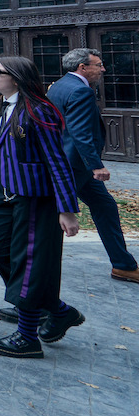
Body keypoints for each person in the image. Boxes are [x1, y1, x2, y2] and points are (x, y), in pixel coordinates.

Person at [0, 56, 84, 358]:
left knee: (28, 263)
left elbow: (57, 160)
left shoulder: (38, 111)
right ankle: (57, 309)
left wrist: (67, 208)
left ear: (15, 78)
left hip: (36, 198)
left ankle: (27, 337)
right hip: (5, 196)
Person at [47, 48, 139, 284]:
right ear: (82, 68)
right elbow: (80, 133)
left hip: (72, 165)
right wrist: (96, 165)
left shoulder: (58, 86)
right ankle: (34, 273)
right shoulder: (80, 91)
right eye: (99, 65)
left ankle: (123, 266)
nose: (103, 69)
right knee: (52, 217)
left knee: (106, 208)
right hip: (75, 166)